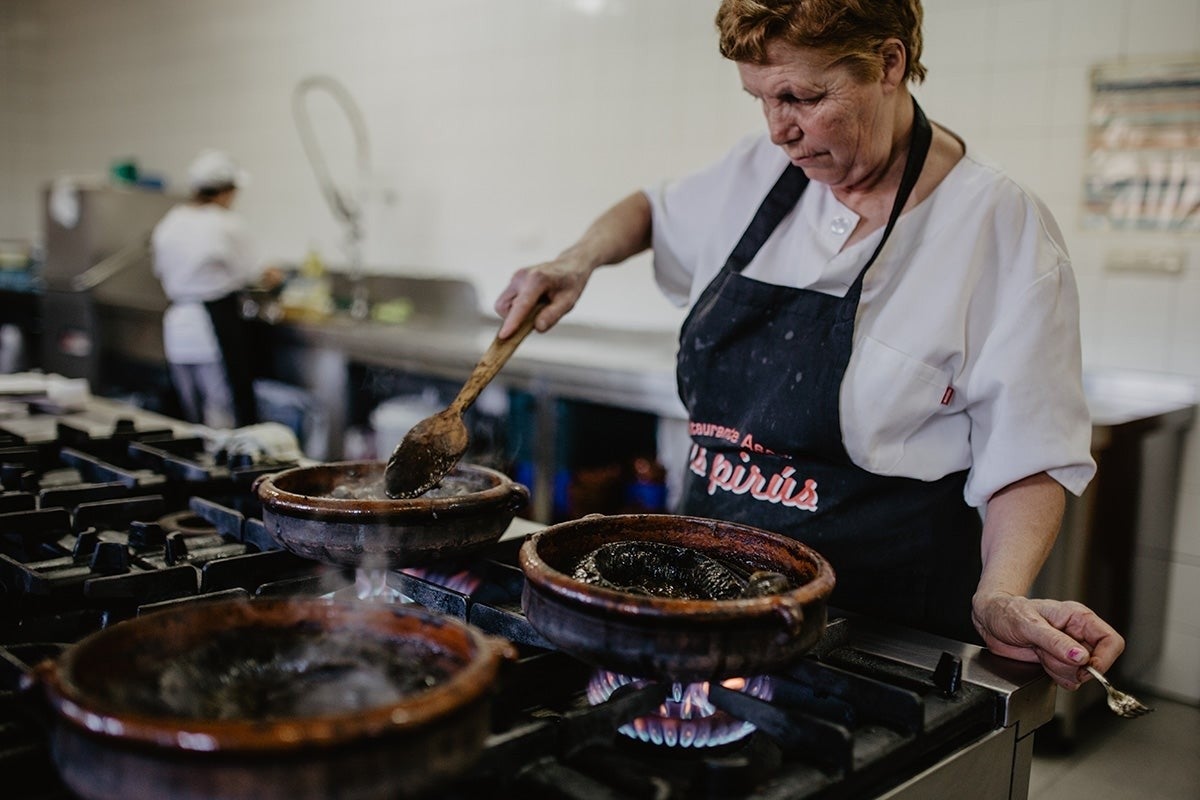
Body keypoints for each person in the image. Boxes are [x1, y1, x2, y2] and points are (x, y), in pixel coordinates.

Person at [495, 0, 1124, 690]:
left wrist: (1000, 591)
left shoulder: (997, 225)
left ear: (890, 63)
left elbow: (1028, 453)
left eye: (802, 96)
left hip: (874, 629)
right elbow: (651, 207)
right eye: (760, 98)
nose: (778, 130)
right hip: (707, 602)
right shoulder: (755, 175)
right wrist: (577, 259)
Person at [152, 149, 275, 429]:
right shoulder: (226, 224)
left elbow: (159, 270)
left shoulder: (171, 222)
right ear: (226, 191)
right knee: (223, 412)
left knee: (190, 413)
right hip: (213, 322)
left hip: (176, 321)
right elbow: (252, 272)